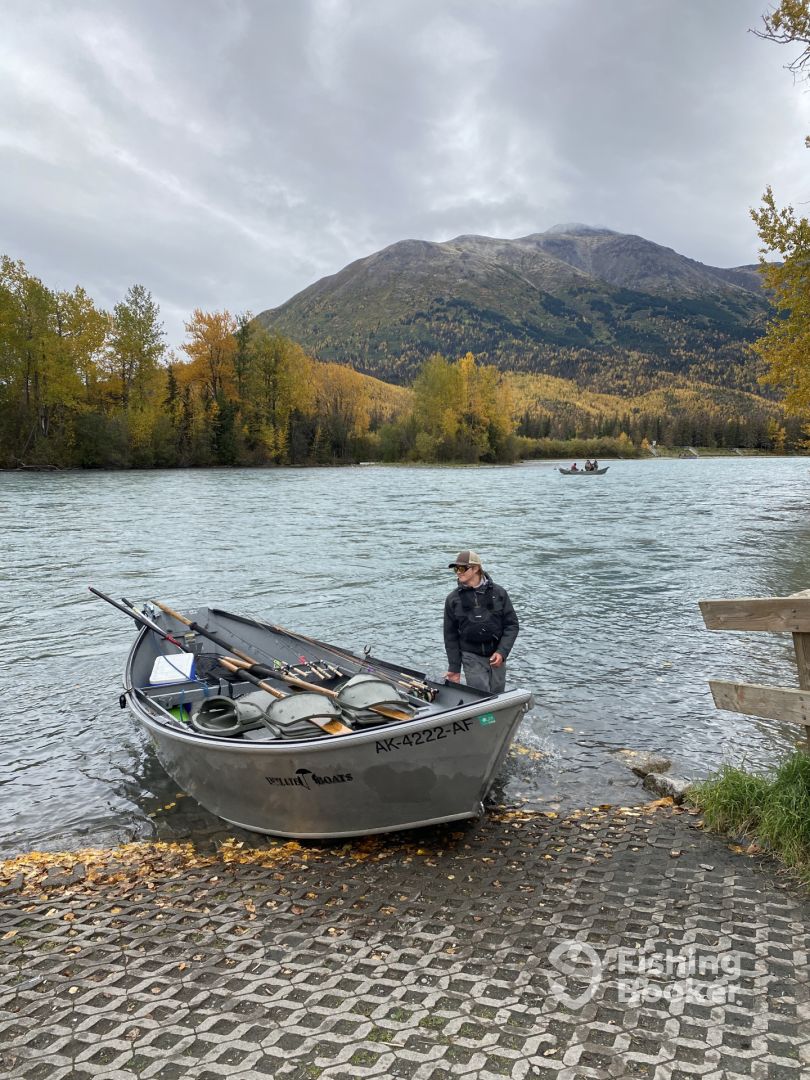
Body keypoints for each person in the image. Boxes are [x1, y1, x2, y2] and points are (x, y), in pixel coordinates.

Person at [443, 549, 519, 694]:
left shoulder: (499, 593)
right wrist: (454, 668)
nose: (458, 572)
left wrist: (502, 652)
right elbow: (450, 636)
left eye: (462, 568)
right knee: (481, 695)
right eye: (456, 569)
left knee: (498, 694)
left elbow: (512, 625)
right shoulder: (452, 599)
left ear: (476, 568)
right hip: (470, 656)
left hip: (496, 656)